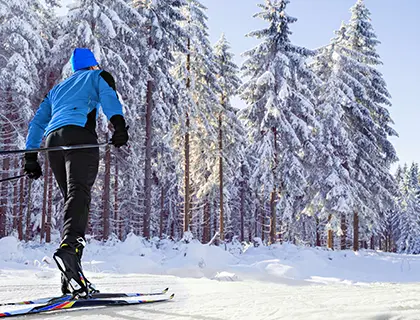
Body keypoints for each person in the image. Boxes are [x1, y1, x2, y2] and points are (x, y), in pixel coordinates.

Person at [24, 48, 129, 298]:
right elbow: (109, 99)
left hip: (53, 142)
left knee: (73, 201)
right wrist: (120, 126)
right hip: (79, 137)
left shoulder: (57, 89)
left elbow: (38, 122)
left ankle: (70, 277)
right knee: (78, 194)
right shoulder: (98, 76)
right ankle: (70, 249)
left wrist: (31, 156)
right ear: (93, 65)